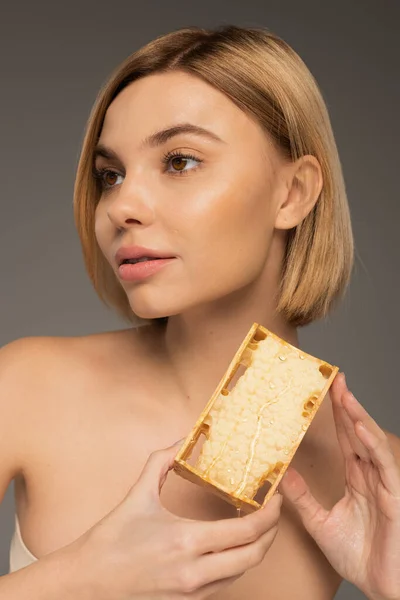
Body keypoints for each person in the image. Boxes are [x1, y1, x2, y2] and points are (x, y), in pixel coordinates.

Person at [0, 23, 399, 600]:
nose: (123, 206)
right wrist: (82, 576)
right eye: (110, 176)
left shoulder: (372, 477)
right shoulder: (28, 386)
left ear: (292, 194)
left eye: (180, 161)